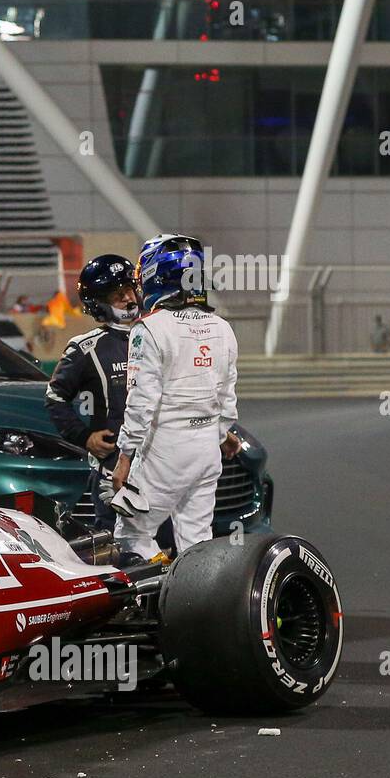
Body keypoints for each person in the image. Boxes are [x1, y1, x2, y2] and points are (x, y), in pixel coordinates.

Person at [111, 234, 241, 562]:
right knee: (197, 542)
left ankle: (150, 606)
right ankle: (194, 607)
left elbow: (142, 402)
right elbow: (226, 399)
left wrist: (125, 456)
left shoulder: (149, 328)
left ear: (158, 275)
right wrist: (221, 435)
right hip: (206, 451)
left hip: (164, 449)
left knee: (131, 533)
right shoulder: (223, 328)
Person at [45, 253, 140, 531]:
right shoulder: (85, 347)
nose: (126, 298)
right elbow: (55, 398)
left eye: (128, 289)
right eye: (115, 294)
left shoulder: (159, 335)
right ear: (98, 303)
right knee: (117, 544)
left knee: (170, 544)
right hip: (113, 466)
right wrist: (84, 436)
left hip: (161, 462)